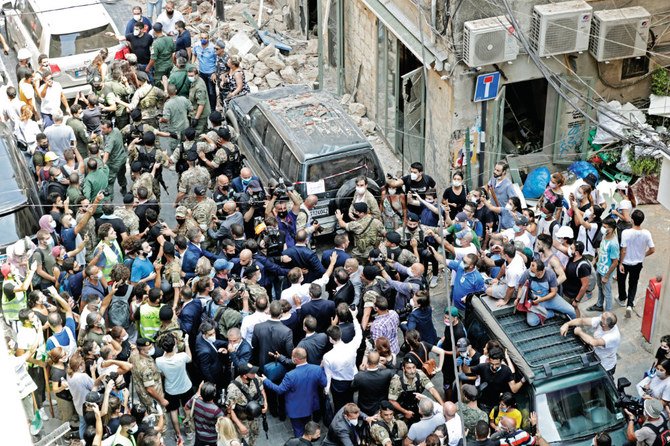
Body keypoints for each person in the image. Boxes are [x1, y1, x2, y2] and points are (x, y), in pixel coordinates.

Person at [261, 347, 327, 437]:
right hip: (310, 404)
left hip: (295, 409)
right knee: (307, 425)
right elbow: (324, 383)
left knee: (298, 430)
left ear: (295, 359)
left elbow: (280, 390)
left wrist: (266, 381)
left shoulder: (290, 375)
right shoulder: (317, 369)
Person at [155, 333, 193, 445]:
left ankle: (178, 434)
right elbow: (190, 358)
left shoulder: (159, 361)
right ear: (175, 344)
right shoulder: (181, 356)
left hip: (171, 390)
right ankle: (189, 430)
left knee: (173, 411)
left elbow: (160, 373)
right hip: (186, 386)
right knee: (187, 409)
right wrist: (186, 343)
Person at [461, 347, 524, 412]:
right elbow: (467, 371)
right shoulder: (483, 367)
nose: (494, 367)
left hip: (496, 405)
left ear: (501, 361)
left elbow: (514, 389)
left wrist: (523, 380)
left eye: (497, 364)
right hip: (482, 403)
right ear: (489, 360)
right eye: (492, 364)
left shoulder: (506, 371)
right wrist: (465, 363)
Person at [618, 209, 655, 318]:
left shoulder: (626, 233)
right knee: (633, 283)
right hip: (637, 263)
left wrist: (620, 263)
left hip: (625, 262)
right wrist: (643, 255)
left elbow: (623, 250)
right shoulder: (646, 233)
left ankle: (622, 298)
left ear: (632, 220)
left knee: (621, 280)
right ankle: (630, 304)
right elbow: (652, 249)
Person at [515, 259, 575, 326]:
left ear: (540, 272)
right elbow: (520, 286)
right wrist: (518, 298)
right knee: (532, 322)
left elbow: (553, 292)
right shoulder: (527, 273)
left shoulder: (550, 273)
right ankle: (553, 313)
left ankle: (576, 326)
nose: (530, 272)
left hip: (550, 298)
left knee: (572, 310)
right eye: (531, 270)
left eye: (533, 271)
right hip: (534, 301)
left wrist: (540, 299)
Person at [388, 356, 444, 425]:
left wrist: (443, 406)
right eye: (409, 368)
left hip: (415, 405)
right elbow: (392, 401)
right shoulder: (397, 380)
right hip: (401, 408)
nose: (412, 371)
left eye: (413, 367)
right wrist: (405, 412)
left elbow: (432, 389)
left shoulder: (419, 374)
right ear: (404, 368)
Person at [225, 363, 267, 446]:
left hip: (255, 417)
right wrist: (240, 425)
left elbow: (262, 390)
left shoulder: (255, 378)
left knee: (255, 433)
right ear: (244, 376)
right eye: (252, 373)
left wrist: (266, 403)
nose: (254, 374)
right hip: (243, 420)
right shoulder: (233, 389)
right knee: (243, 438)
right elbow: (230, 409)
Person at [588, 217, 619, 313]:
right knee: (600, 288)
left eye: (605, 227)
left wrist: (606, 276)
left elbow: (615, 262)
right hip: (599, 267)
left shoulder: (613, 244)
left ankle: (608, 313)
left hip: (606, 272)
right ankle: (599, 305)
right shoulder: (604, 236)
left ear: (612, 228)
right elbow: (602, 250)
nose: (603, 228)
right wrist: (595, 260)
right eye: (603, 226)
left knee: (607, 293)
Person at [352, 351, 396, 415]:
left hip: (365, 407)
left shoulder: (359, 376)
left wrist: (361, 371)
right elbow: (396, 372)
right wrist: (387, 363)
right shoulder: (387, 373)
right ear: (379, 361)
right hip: (381, 406)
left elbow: (353, 388)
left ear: (367, 361)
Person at [186, 381, 224, 446]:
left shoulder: (195, 401)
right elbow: (223, 425)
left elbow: (186, 407)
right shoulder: (216, 411)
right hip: (212, 438)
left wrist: (199, 390)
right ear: (214, 395)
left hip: (199, 436)